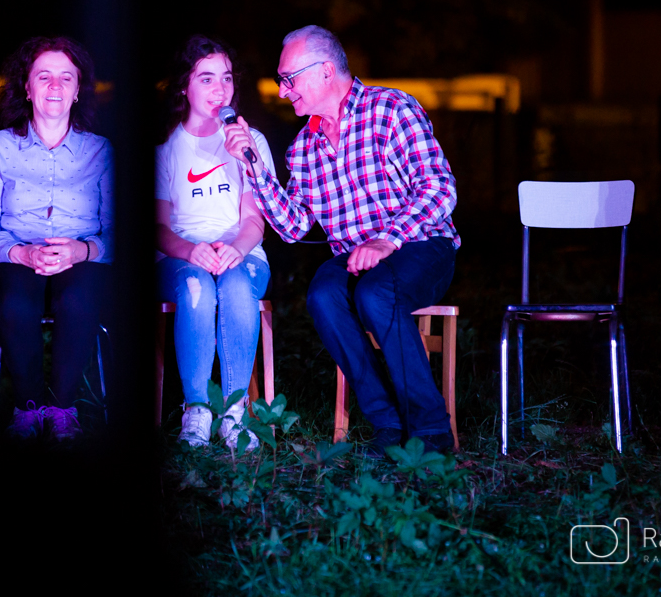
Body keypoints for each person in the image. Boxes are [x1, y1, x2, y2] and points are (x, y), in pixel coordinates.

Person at [224, 25, 460, 457]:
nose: (282, 91)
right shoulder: (304, 147)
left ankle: (430, 433)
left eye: (288, 79)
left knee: (375, 293)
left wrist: (389, 239)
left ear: (326, 71)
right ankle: (388, 424)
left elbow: (440, 189)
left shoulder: (392, 111)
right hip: (356, 257)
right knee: (323, 294)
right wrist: (256, 169)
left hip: (422, 245)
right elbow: (294, 226)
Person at [0, 36, 114, 442]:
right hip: (15, 257)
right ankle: (28, 409)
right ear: (27, 88)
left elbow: (117, 230)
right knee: (15, 298)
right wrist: (21, 251)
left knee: (81, 295)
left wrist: (81, 250)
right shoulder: (0, 146)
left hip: (81, 259)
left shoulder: (101, 151)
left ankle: (63, 409)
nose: (55, 85)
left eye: (66, 77)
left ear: (78, 90)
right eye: (44, 76)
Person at [156, 35, 275, 450]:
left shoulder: (249, 141)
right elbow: (158, 227)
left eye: (225, 78)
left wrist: (236, 250)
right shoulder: (167, 147)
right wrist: (192, 252)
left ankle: (235, 413)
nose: (219, 89)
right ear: (184, 87)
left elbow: (255, 219)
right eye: (206, 79)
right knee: (197, 287)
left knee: (237, 284)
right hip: (179, 257)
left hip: (243, 253)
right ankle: (196, 411)